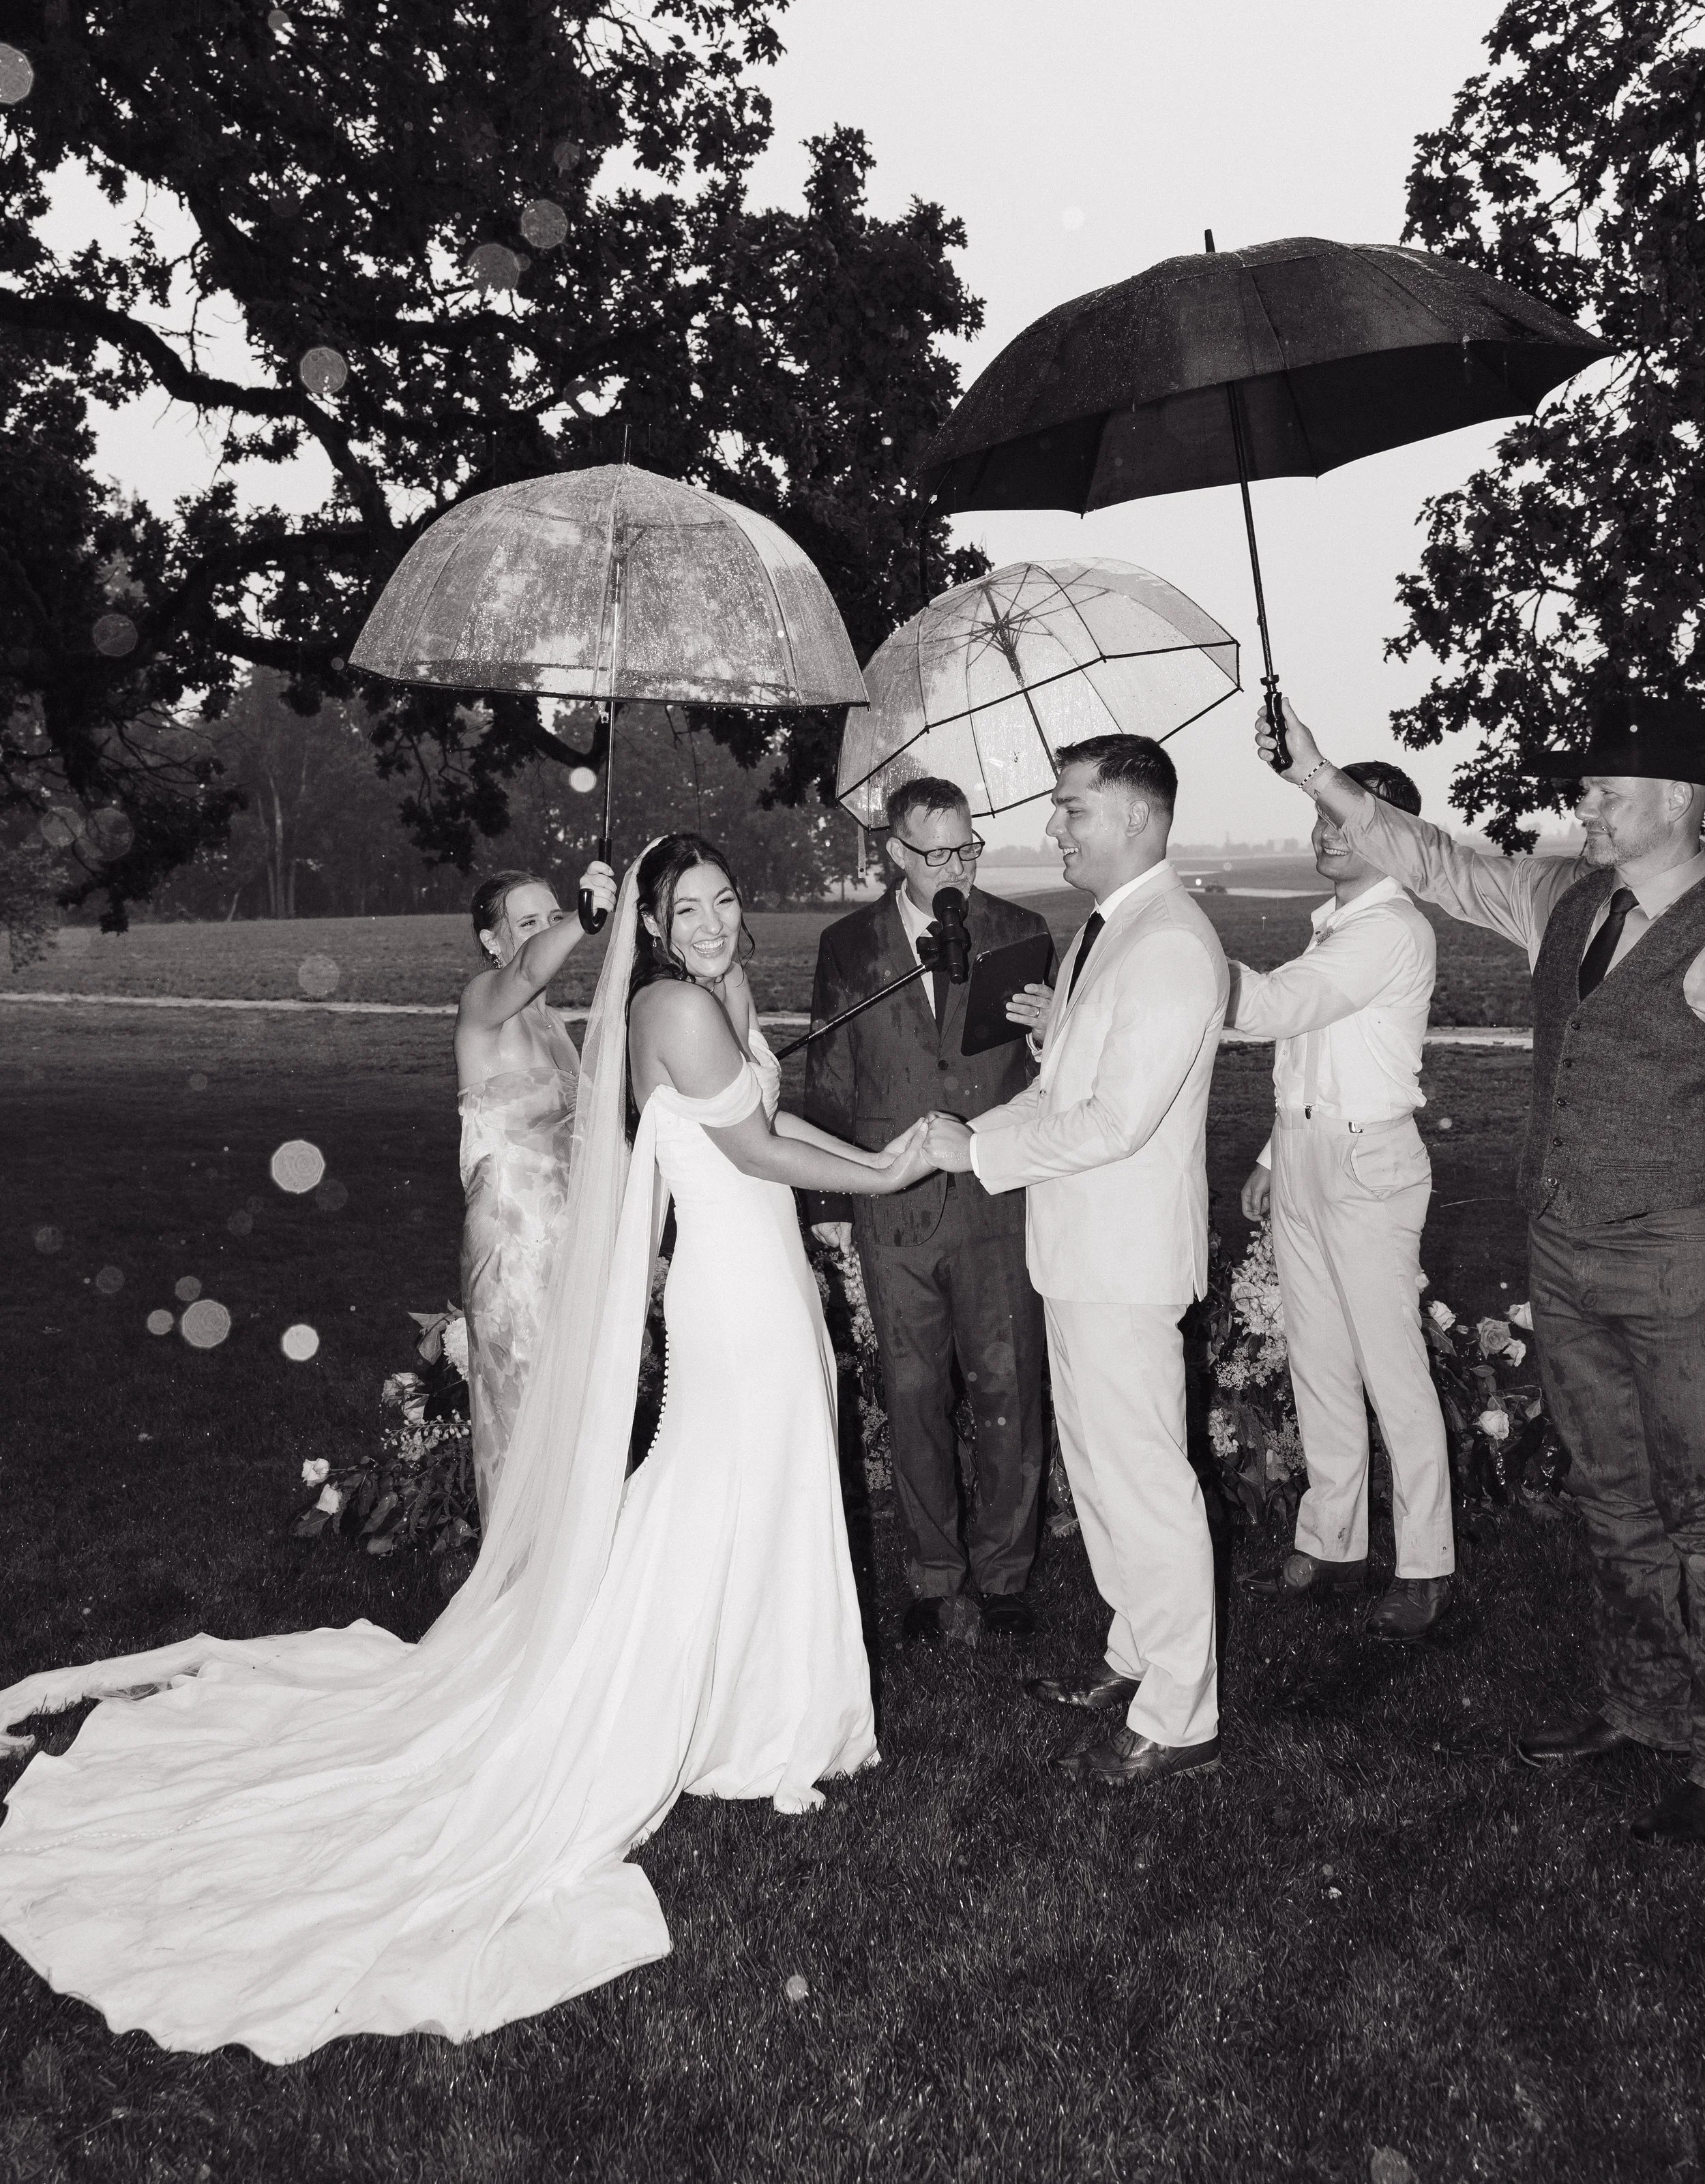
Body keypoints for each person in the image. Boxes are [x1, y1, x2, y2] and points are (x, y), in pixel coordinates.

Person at [0, 835, 936, 2057]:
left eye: (725, 901)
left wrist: (739, 1014)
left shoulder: (706, 997)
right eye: (686, 907)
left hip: (755, 1269)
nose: (713, 922)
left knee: (751, 1482)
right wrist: (890, 1162)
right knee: (726, 1479)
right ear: (647, 921)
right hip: (734, 1279)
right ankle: (718, 1704)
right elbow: (755, 1148)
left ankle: (755, 1701)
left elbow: (735, 1107)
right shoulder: (646, 1001)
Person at [1256, 692, 1705, 1848]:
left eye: (1609, 793)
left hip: (1677, 1259)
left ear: (1682, 803)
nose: (1584, 808)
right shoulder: (1567, 899)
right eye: (1588, 791)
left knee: (1696, 1501)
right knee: (1611, 1490)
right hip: (1564, 1248)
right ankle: (1645, 1711)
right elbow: (1435, 862)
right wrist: (1321, 778)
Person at [923, 734, 1228, 1789]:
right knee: (1099, 1477)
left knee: (1146, 1485)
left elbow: (1116, 1122)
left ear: (1137, 818)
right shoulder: (1109, 931)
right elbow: (1072, 1089)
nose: (1053, 827)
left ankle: (1183, 1715)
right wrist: (1001, 1094)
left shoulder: (1174, 944)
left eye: (1072, 808)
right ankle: (1137, 1659)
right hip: (1080, 1251)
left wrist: (977, 1149)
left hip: (1126, 1259)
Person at [804, 776, 1056, 1643]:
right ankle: (931, 1573)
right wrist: (835, 1199)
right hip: (893, 1203)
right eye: (937, 851)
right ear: (893, 853)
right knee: (912, 1393)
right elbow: (831, 1074)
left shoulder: (1022, 933)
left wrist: (1048, 1032)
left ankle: (1007, 1572)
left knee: (1007, 1386)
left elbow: (1052, 1077)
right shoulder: (849, 945)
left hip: (996, 1197)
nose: (955, 866)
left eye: (967, 847)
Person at [1230, 760, 1453, 1640]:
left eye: (1344, 821)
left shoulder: (1389, 928)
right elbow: (1313, 1052)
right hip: (1306, 1156)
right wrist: (1270, 1151)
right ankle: (1332, 1543)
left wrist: (1166, 979)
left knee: (1391, 1374)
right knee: (1317, 1360)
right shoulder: (1331, 925)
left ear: (1391, 834)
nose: (1325, 834)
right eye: (1318, 818)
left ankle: (1427, 1565)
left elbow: (1283, 1007)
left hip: (1369, 1167)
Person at [456, 862, 618, 1519]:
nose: (548, 931)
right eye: (530, 922)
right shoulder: (483, 1002)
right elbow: (526, 973)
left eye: (555, 917)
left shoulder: (556, 1029)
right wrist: (585, 918)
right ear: (492, 941)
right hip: (513, 1252)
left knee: (577, 1412)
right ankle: (519, 1590)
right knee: (524, 1417)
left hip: (567, 1242)